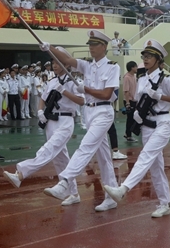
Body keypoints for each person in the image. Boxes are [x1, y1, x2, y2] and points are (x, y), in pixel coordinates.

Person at [41, 30, 121, 212]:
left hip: (103, 111)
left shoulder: (112, 66)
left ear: (104, 46)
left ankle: (65, 182)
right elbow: (68, 61)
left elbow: (108, 94)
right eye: (90, 45)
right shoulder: (87, 66)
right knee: (104, 156)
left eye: (94, 44)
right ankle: (111, 195)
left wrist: (86, 89)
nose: (91, 48)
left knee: (86, 146)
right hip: (89, 113)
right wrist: (49, 48)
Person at [103, 39, 170, 218]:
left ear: (158, 60)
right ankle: (164, 203)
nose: (145, 59)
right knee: (156, 166)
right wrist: (137, 114)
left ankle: (124, 188)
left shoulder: (166, 79)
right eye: (144, 56)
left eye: (149, 57)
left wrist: (160, 95)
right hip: (146, 124)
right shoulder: (141, 78)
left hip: (163, 122)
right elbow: (139, 100)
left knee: (146, 155)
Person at [4, 49, 85, 204]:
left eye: (58, 62)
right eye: (53, 62)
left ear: (66, 63)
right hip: (51, 121)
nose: (54, 65)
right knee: (60, 159)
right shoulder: (52, 81)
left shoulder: (74, 82)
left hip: (65, 121)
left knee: (49, 149)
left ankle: (20, 174)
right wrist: (40, 110)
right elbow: (43, 97)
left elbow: (82, 101)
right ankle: (73, 193)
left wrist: (65, 92)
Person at [123, 61, 138, 143]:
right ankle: (128, 135)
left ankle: (128, 133)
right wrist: (128, 103)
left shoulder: (134, 76)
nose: (137, 68)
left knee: (132, 118)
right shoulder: (127, 77)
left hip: (134, 100)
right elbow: (126, 91)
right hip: (129, 100)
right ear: (132, 68)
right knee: (130, 119)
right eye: (136, 66)